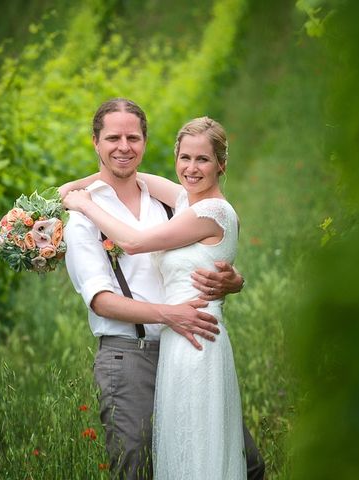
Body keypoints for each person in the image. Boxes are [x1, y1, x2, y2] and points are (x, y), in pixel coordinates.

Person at [61, 98, 265, 479]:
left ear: (145, 141)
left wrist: (235, 280)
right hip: (130, 355)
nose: (124, 146)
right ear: (95, 142)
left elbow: (199, 249)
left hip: (188, 346)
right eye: (113, 138)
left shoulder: (173, 201)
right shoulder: (82, 221)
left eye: (133, 137)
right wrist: (77, 198)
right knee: (139, 467)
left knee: (240, 460)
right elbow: (102, 301)